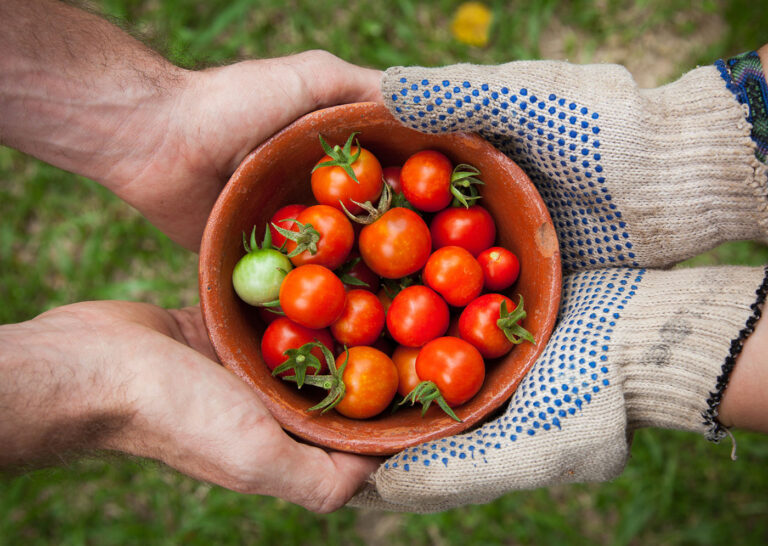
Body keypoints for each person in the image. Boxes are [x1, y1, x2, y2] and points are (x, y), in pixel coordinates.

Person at [2, 0, 767, 515]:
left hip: (432, 298)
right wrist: (690, 347)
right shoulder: (354, 296)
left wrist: (699, 145)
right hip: (425, 314)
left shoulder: (355, 257)